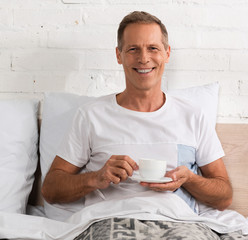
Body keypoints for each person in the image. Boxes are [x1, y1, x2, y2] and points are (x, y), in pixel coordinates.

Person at [41, 11, 232, 219]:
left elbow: (224, 197)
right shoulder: (91, 115)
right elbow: (50, 190)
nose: (143, 58)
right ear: (118, 55)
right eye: (133, 49)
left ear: (167, 53)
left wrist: (190, 179)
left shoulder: (192, 115)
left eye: (153, 48)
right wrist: (96, 178)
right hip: (109, 223)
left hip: (178, 223)